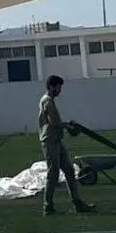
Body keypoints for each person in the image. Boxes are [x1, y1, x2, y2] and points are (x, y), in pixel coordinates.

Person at [38, 74, 95, 216]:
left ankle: (77, 204)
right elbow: (54, 122)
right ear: (52, 87)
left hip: (56, 140)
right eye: (58, 87)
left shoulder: (49, 100)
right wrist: (69, 126)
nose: (60, 90)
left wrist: (67, 126)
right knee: (53, 174)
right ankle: (48, 206)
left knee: (69, 171)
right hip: (50, 141)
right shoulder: (47, 101)